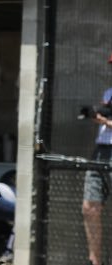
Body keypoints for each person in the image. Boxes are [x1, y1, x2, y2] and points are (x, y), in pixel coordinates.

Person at [83, 85, 112, 265]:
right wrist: (96, 117)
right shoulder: (108, 92)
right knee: (90, 207)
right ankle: (95, 262)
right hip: (100, 150)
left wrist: (105, 121)